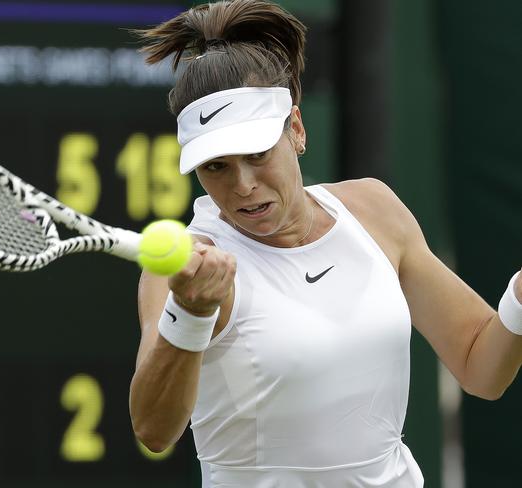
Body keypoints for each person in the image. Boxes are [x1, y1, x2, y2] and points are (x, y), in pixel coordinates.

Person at [128, 1, 522, 486]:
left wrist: (520, 297)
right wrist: (188, 315)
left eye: (257, 154)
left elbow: (482, 366)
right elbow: (153, 430)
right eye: (216, 167)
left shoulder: (373, 209)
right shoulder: (184, 273)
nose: (243, 184)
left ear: (295, 129)